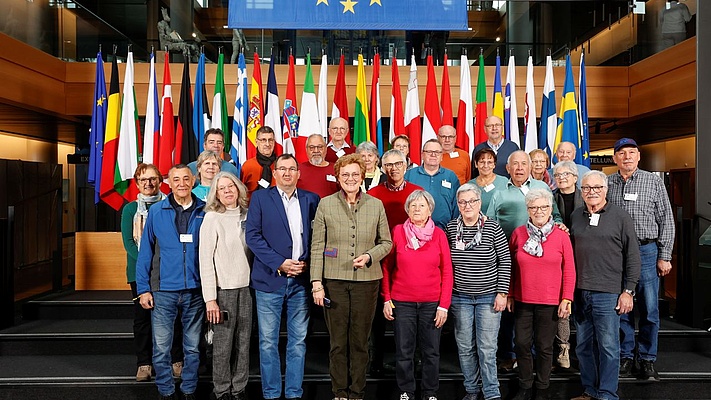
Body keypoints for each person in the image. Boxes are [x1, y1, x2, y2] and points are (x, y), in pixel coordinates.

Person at [310, 154, 392, 400]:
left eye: (355, 174)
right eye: (345, 174)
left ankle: (357, 393)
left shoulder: (376, 204)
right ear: (338, 177)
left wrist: (369, 256)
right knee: (338, 343)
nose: (350, 179)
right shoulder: (325, 204)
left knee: (359, 342)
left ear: (363, 176)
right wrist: (316, 284)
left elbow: (386, 242)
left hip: (366, 283)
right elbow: (317, 246)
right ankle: (339, 393)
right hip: (333, 282)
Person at [246, 154, 320, 400]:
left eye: (292, 169)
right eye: (282, 169)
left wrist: (307, 262)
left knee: (297, 343)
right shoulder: (259, 198)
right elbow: (253, 237)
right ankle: (271, 394)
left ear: (299, 173)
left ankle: (293, 394)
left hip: (300, 281)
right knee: (268, 342)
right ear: (274, 173)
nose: (287, 173)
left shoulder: (311, 199)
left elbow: (317, 238)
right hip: (269, 280)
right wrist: (280, 263)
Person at [485, 150, 563, 373]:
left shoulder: (542, 188)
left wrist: (560, 227)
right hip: (509, 256)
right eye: (514, 164)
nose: (519, 168)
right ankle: (510, 355)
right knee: (511, 309)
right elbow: (490, 223)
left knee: (538, 313)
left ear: (531, 167)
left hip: (540, 260)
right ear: (507, 169)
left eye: (523, 163)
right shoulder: (499, 193)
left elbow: (556, 216)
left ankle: (539, 357)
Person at [135, 164, 206, 400]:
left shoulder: (205, 211)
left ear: (193, 180)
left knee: (193, 347)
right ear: (169, 183)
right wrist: (144, 289)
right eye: (176, 180)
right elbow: (145, 252)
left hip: (196, 290)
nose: (182, 184)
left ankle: (189, 389)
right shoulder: (156, 211)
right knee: (162, 347)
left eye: (186, 179)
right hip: (164, 291)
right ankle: (166, 390)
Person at [607, 138, 675, 381]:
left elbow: (667, 219)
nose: (627, 157)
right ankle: (625, 355)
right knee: (621, 305)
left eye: (631, 153)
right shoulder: (607, 183)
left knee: (649, 308)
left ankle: (647, 358)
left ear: (638, 156)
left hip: (646, 251)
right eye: (622, 153)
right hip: (617, 254)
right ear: (615, 158)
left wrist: (664, 255)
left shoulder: (653, 181)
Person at [569, 170, 641, 400]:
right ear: (582, 191)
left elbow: (633, 256)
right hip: (581, 292)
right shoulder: (576, 216)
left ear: (606, 190)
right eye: (587, 188)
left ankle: (607, 394)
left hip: (608, 293)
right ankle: (590, 390)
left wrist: (628, 291)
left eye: (597, 188)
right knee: (582, 347)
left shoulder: (621, 217)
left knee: (609, 347)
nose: (592, 192)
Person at [382, 190, 453, 400]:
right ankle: (406, 391)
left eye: (421, 205)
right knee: (404, 351)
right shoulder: (397, 232)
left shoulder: (439, 235)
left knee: (431, 351)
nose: (416, 209)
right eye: (412, 206)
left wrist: (444, 305)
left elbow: (447, 271)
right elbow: (386, 267)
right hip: (402, 302)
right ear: (407, 210)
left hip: (432, 303)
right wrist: (386, 297)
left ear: (430, 209)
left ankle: (430, 392)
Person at [507, 189, 576, 400]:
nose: (539, 211)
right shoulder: (518, 233)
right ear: (528, 210)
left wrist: (567, 298)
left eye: (544, 207)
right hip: (523, 299)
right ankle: (525, 384)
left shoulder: (561, 236)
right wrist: (509, 293)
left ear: (550, 210)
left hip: (550, 300)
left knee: (545, 347)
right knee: (521, 343)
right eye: (534, 207)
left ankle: (543, 387)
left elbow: (570, 269)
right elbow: (510, 267)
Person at [446, 183, 511, 400]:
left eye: (472, 201)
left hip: (489, 297)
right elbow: (445, 264)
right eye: (462, 202)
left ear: (479, 202)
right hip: (460, 297)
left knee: (487, 348)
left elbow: (505, 261)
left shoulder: (492, 227)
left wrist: (502, 293)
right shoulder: (451, 228)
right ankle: (472, 390)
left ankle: (491, 392)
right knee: (465, 347)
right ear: (458, 204)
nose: (467, 205)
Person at [120, 163, 183, 382]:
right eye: (144, 180)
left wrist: (160, 263)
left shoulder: (170, 205)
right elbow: (129, 243)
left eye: (153, 179)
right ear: (137, 183)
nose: (149, 183)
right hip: (139, 272)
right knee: (143, 319)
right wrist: (147, 264)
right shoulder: (129, 210)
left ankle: (176, 360)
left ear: (160, 181)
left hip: (167, 271)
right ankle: (144, 364)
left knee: (172, 317)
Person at [366, 148, 423, 376]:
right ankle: (375, 362)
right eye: (389, 165)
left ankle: (413, 364)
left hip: (410, 261)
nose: (394, 169)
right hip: (381, 259)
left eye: (398, 164)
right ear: (382, 167)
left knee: (410, 316)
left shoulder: (417, 192)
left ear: (406, 165)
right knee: (378, 315)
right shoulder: (374, 193)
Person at [198, 172, 251, 400]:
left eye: (231, 186)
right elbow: (205, 260)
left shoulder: (248, 215)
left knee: (243, 343)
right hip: (223, 291)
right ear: (216, 194)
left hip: (247, 289)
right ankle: (222, 390)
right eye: (222, 188)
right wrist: (211, 299)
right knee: (222, 346)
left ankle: (239, 389)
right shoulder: (212, 218)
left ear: (238, 188)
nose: (228, 191)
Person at [550, 160, 584, 369]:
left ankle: (583, 351)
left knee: (581, 305)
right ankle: (563, 348)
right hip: (559, 258)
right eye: (558, 175)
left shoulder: (586, 196)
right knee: (562, 303)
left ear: (575, 177)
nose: (562, 178)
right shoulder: (550, 199)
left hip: (584, 256)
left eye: (566, 174)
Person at [405, 139, 460, 229]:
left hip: (445, 230)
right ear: (422, 155)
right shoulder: (410, 175)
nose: (433, 155)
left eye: (437, 152)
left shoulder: (451, 176)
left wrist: (454, 228)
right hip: (415, 230)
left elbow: (457, 204)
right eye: (429, 152)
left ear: (441, 156)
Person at [298, 133, 339, 198]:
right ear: (306, 149)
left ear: (326, 149)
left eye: (320, 147)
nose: (316, 151)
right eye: (312, 147)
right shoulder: (298, 169)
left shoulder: (337, 169)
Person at [241, 126, 277, 199]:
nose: (267, 144)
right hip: (252, 207)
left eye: (270, 140)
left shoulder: (280, 165)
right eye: (263, 140)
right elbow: (241, 192)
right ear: (256, 142)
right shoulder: (248, 166)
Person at [470, 148, 508, 212]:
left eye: (489, 162)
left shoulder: (504, 182)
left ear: (494, 165)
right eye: (482, 162)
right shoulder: (470, 185)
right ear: (476, 164)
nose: (486, 165)